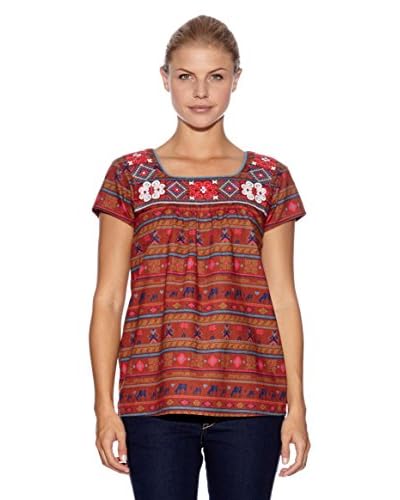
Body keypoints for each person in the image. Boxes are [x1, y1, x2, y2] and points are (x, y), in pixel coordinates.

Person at [89, 14, 311, 500]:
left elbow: (283, 298)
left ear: (236, 79)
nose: (201, 92)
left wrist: (297, 405)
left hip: (254, 400)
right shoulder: (130, 176)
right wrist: (104, 406)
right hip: (153, 400)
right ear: (165, 78)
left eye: (216, 76)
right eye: (186, 76)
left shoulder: (269, 179)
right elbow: (108, 298)